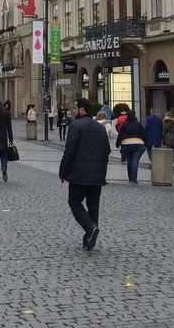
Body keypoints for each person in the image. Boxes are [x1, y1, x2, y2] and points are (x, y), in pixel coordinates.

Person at [60, 98, 110, 250]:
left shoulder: (76, 126)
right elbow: (107, 150)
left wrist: (63, 172)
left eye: (75, 109)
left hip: (79, 174)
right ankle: (90, 237)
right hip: (97, 176)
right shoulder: (100, 128)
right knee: (93, 205)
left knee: (74, 202)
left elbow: (70, 151)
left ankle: (90, 228)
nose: (74, 112)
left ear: (82, 110)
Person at [115, 110, 146, 185]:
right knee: (135, 161)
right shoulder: (138, 124)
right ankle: (134, 180)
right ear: (135, 115)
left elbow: (120, 134)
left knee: (129, 161)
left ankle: (130, 179)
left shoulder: (125, 123)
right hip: (138, 144)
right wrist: (145, 143)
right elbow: (143, 134)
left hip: (127, 144)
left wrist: (117, 144)